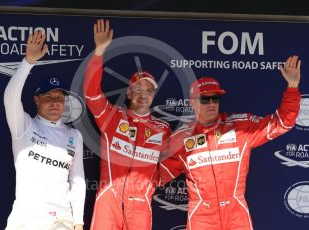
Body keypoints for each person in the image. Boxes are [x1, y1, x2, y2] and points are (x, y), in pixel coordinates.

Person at [159, 56, 301, 230]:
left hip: (236, 215)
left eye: (215, 98)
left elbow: (281, 123)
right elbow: (155, 177)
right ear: (191, 103)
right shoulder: (181, 139)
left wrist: (292, 88)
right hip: (202, 218)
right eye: (204, 99)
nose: (211, 103)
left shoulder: (240, 127)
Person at [83, 19, 171, 230]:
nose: (143, 95)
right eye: (138, 90)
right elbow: (91, 94)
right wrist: (99, 53)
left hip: (140, 204)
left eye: (148, 91)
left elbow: (174, 160)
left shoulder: (163, 129)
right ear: (129, 93)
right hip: (108, 199)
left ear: (153, 96)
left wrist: (153, 182)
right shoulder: (112, 117)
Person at [4, 30, 86, 230]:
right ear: (36, 99)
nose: (54, 102)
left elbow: (77, 180)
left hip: (62, 221)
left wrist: (78, 222)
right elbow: (9, 98)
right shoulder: (24, 126)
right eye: (48, 97)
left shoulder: (74, 136)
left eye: (59, 98)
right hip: (28, 219)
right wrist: (28, 62)